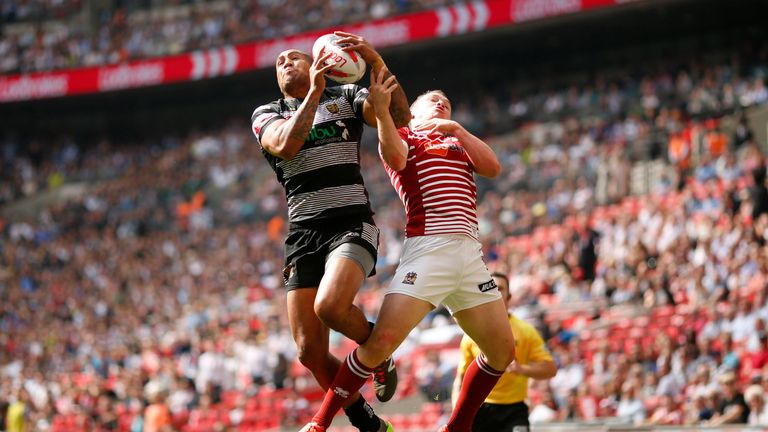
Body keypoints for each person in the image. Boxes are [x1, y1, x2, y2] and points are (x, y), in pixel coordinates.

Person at [300, 83, 516, 432]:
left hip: (469, 255)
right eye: (433, 100)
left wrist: (457, 129)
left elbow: (492, 168)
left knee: (502, 351)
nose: (442, 101)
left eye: (447, 101)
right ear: (412, 113)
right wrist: (384, 108)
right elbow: (396, 157)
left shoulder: (457, 141)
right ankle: (320, 422)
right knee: (379, 344)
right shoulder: (403, 137)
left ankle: (457, 427)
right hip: (428, 251)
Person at [250, 31, 410, 432]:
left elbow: (399, 117)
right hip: (303, 234)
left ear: (318, 60)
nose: (286, 62)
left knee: (330, 307)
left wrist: (375, 60)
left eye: (294, 57)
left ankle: (377, 348)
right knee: (308, 352)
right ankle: (370, 424)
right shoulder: (266, 113)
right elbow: (285, 146)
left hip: (351, 224)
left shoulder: (346, 97)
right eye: (279, 62)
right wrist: (312, 94)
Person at [451, 271, 557, 432]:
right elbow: (461, 379)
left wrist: (522, 369)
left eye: (500, 288)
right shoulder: (472, 334)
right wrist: (457, 414)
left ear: (509, 296)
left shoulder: (526, 331)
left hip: (514, 410)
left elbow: (550, 369)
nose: (496, 292)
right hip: (480, 409)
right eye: (491, 288)